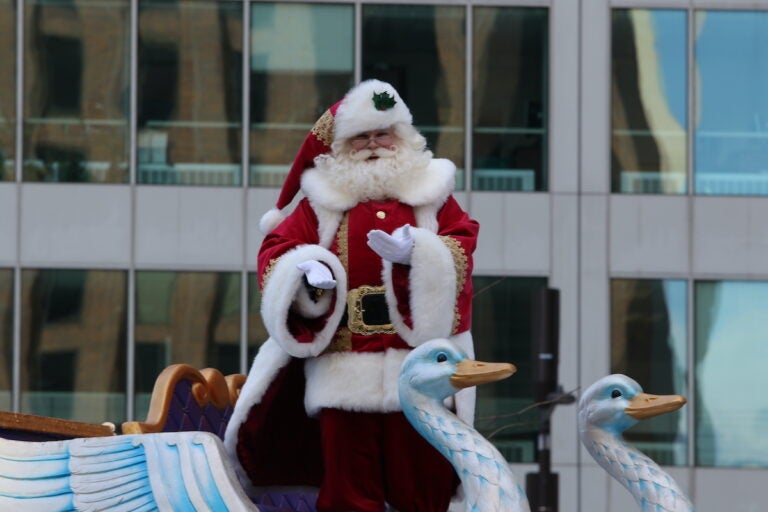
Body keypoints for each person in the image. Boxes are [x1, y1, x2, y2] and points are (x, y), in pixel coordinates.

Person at [224, 79, 479, 512]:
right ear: (342, 146)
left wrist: (420, 253)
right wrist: (306, 274)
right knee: (347, 490)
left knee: (422, 484)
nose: (373, 144)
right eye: (361, 136)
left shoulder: (433, 195)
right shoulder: (320, 202)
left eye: (383, 133)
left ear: (403, 138)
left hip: (414, 368)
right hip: (342, 366)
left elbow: (462, 242)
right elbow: (277, 251)